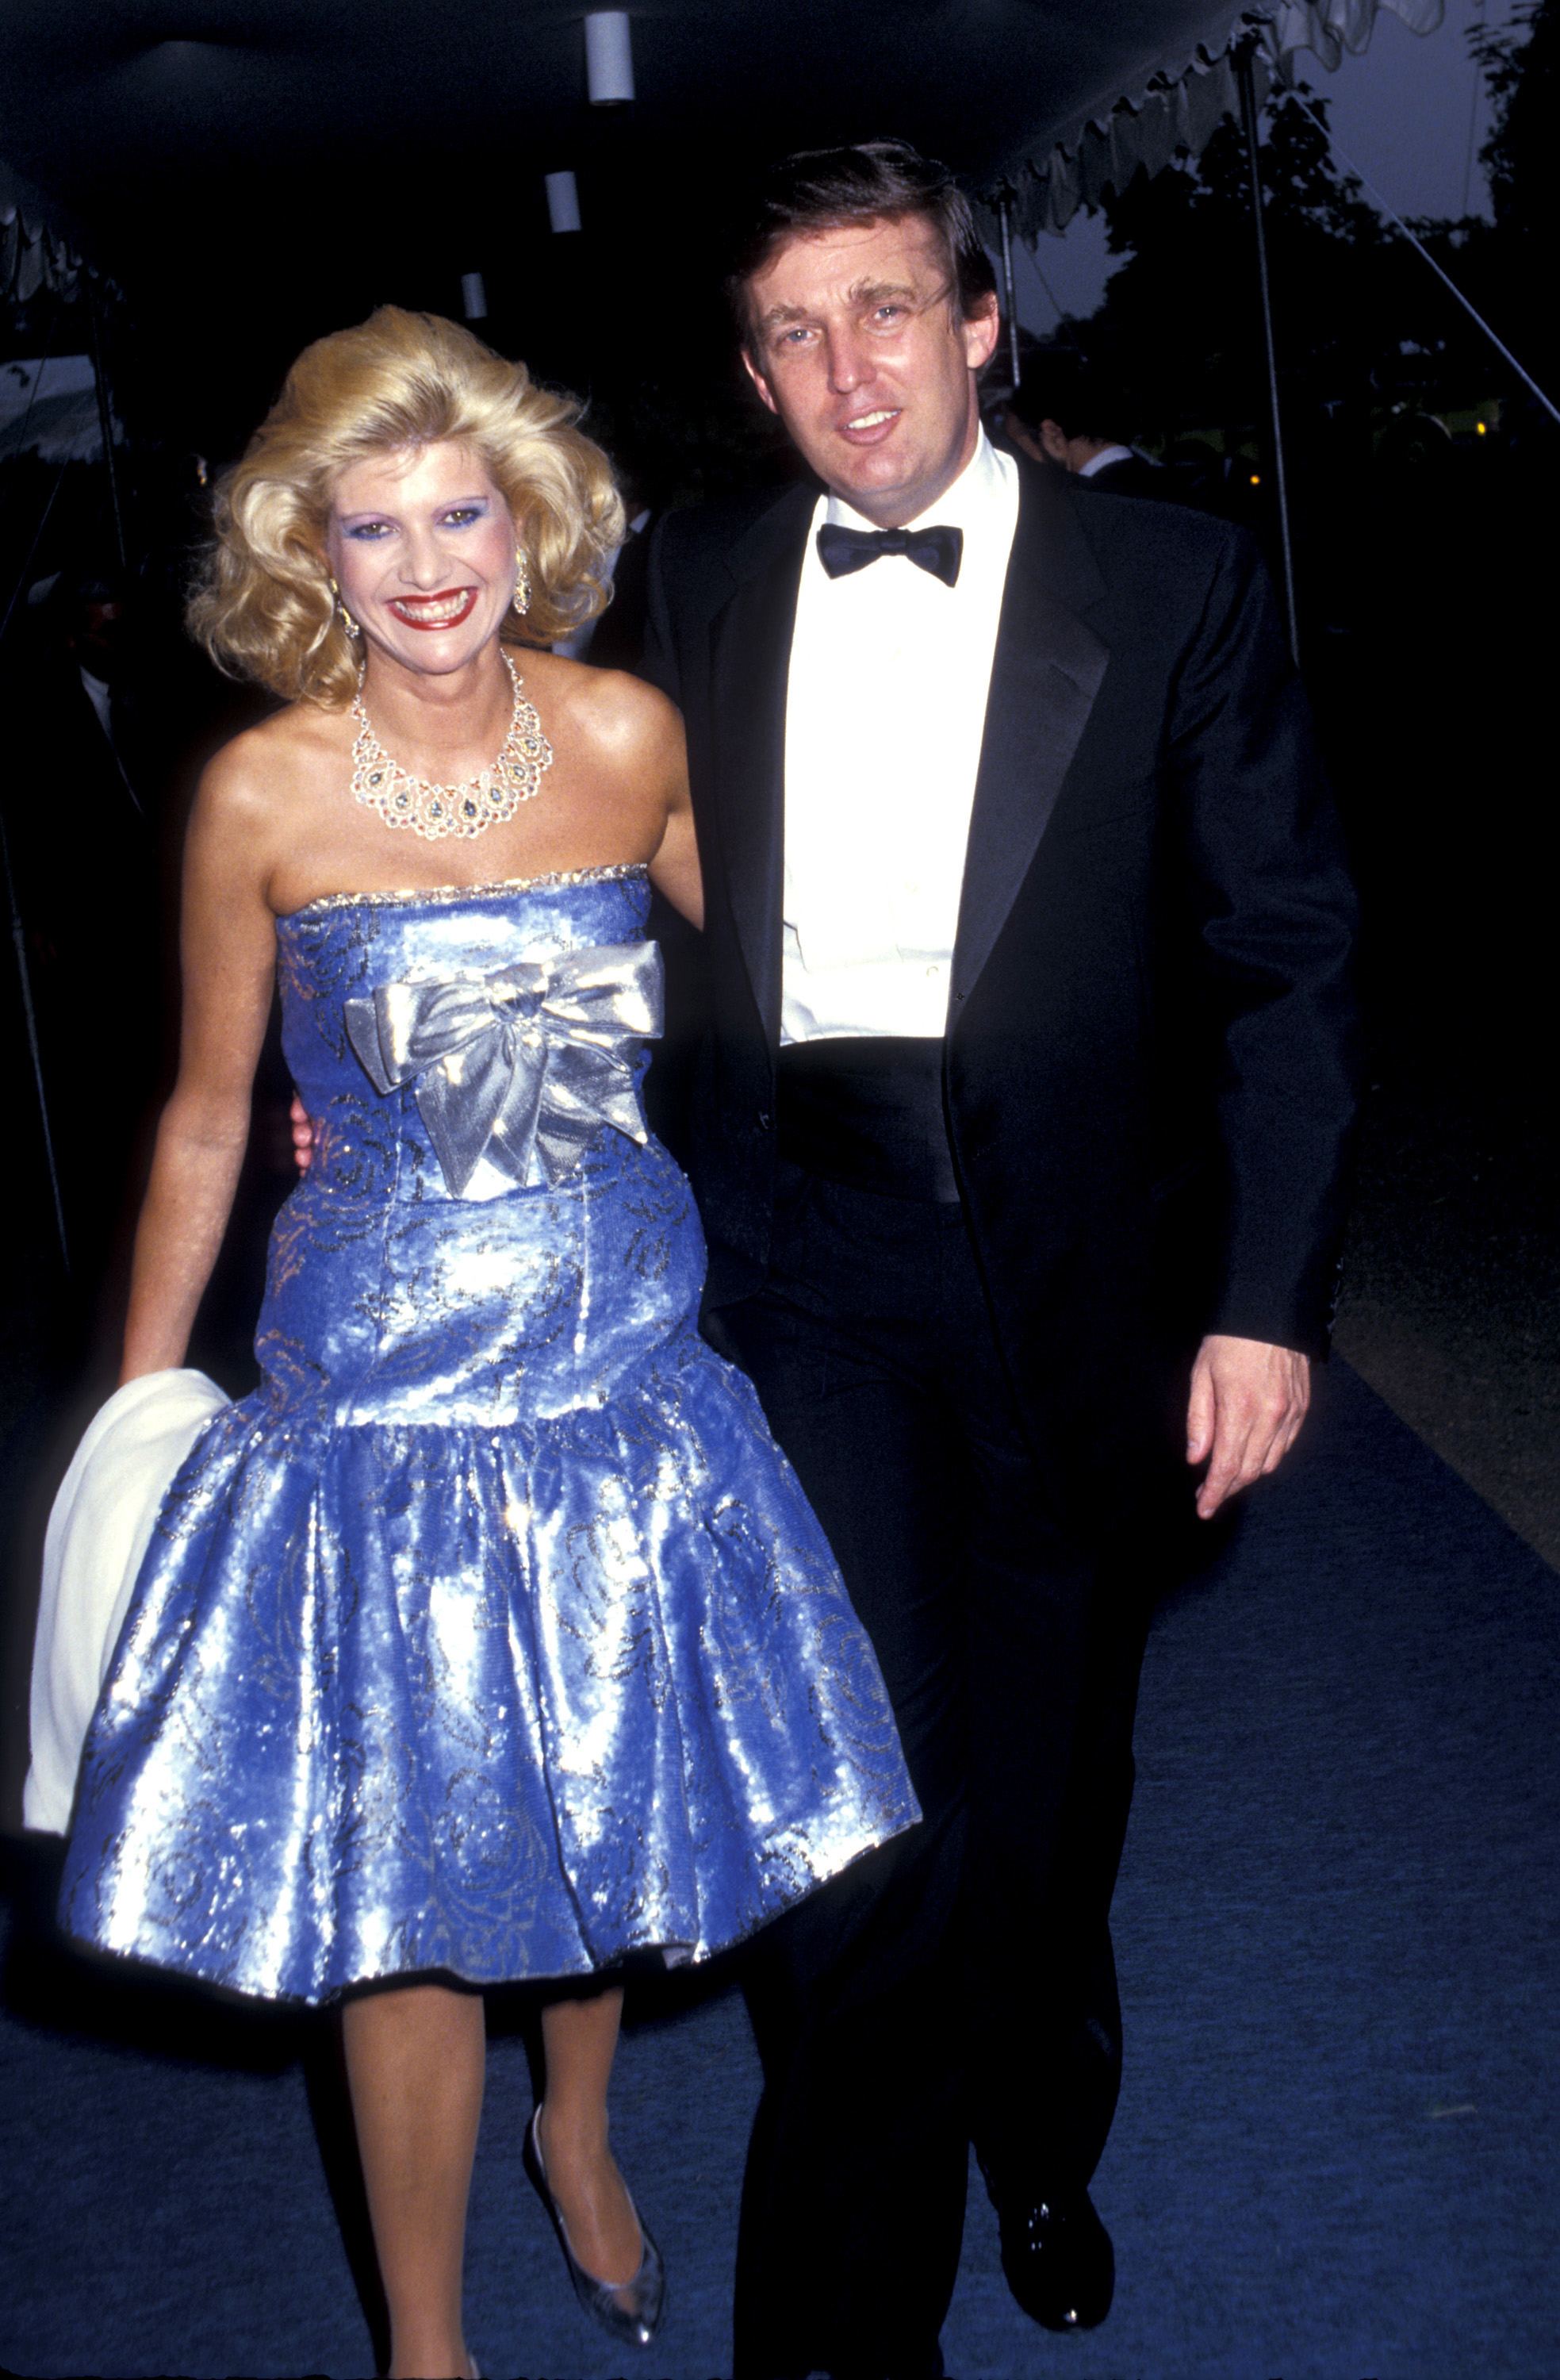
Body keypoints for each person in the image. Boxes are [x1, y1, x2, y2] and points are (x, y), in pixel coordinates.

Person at [30, 306, 918, 2380]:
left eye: (461, 511)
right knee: (412, 1886)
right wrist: (142, 1418)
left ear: (529, 523)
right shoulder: (260, 788)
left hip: (618, 1357)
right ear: (303, 555)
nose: (425, 561)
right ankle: (424, 2354)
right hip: (383, 1394)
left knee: (605, 1796)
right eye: (370, 525)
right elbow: (200, 1117)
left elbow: (799, 969)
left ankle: (578, 2132)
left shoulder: (625, 737)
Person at [640, 141, 1359, 2376]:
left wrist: (1260, 1299)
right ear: (752, 377)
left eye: (879, 312)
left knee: (1032, 1826)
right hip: (800, 1268)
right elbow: (551, 863)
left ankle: (1035, 2123)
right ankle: (844, 2338)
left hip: (1083, 1276)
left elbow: (1286, 963)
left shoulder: (1173, 578)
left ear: (973, 321)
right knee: (854, 1837)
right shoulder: (686, 574)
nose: (843, 373)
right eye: (789, 331)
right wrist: (374, 1054)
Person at [1004, 347, 1171, 498]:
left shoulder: (1091, 505)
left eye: (1017, 448)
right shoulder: (1165, 483)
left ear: (1052, 436)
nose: (1014, 463)